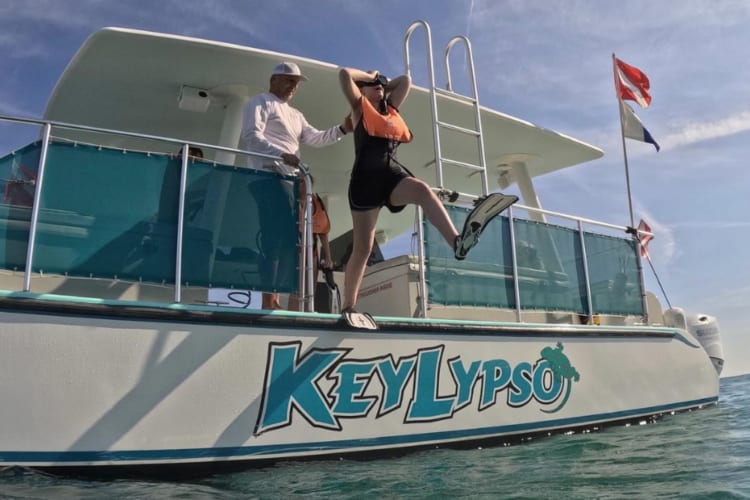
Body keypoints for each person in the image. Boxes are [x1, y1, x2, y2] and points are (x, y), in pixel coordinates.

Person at [338, 67, 517, 315]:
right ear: (362, 89)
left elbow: (405, 81)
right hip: (364, 183)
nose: (379, 83)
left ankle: (457, 243)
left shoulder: (390, 108)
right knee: (363, 249)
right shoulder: (359, 108)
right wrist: (370, 79)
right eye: (372, 83)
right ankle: (348, 307)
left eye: (381, 82)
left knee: (422, 190)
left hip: (390, 174)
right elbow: (344, 74)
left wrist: (380, 86)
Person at [241, 61, 351, 310]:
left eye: (297, 83)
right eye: (289, 80)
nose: (293, 86)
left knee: (283, 241)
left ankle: (275, 299)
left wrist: (343, 129)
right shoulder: (259, 101)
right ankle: (268, 301)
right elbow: (251, 135)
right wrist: (282, 154)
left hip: (289, 180)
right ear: (274, 80)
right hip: (267, 176)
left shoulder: (296, 115)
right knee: (273, 239)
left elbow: (315, 137)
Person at [288, 176, 333, 312]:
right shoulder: (290, 200)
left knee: (310, 286)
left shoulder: (315, 203)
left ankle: (308, 312)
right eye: (299, 181)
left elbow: (323, 232)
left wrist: (329, 258)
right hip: (293, 250)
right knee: (295, 286)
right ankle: (293, 315)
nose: (301, 184)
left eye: (303, 181)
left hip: (311, 250)